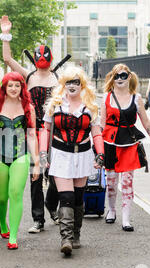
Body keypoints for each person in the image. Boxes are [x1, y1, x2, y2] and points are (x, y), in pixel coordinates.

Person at [0, 15, 61, 233]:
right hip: (32, 131)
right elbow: (8, 59)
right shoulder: (29, 76)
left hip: (55, 132)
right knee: (35, 173)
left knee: (56, 173)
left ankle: (51, 205)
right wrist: (6, 34)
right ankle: (38, 219)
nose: (42, 57)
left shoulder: (60, 79)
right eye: (39, 55)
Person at [39, 66, 104, 256]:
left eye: (76, 82)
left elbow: (96, 133)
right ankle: (65, 238)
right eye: (69, 82)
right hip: (60, 154)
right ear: (63, 84)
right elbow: (45, 129)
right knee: (65, 197)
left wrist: (100, 154)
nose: (72, 85)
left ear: (82, 84)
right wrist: (43, 153)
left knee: (77, 198)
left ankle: (76, 234)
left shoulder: (90, 106)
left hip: (82, 155)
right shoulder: (55, 104)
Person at [101, 64, 150, 232]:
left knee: (128, 182)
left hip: (129, 143)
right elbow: (100, 126)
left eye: (123, 75)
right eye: (116, 76)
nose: (120, 79)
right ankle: (112, 210)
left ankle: (126, 218)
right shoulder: (106, 98)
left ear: (129, 77)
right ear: (112, 78)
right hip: (110, 144)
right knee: (111, 182)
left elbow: (146, 122)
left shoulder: (136, 98)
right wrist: (97, 150)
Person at [0, 72, 40, 250]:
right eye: (10, 85)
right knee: (2, 198)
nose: (13, 89)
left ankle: (13, 237)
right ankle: (3, 225)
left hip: (21, 155)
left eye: (17, 85)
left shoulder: (28, 108)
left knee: (16, 193)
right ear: (4, 87)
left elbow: (32, 135)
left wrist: (37, 163)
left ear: (22, 87)